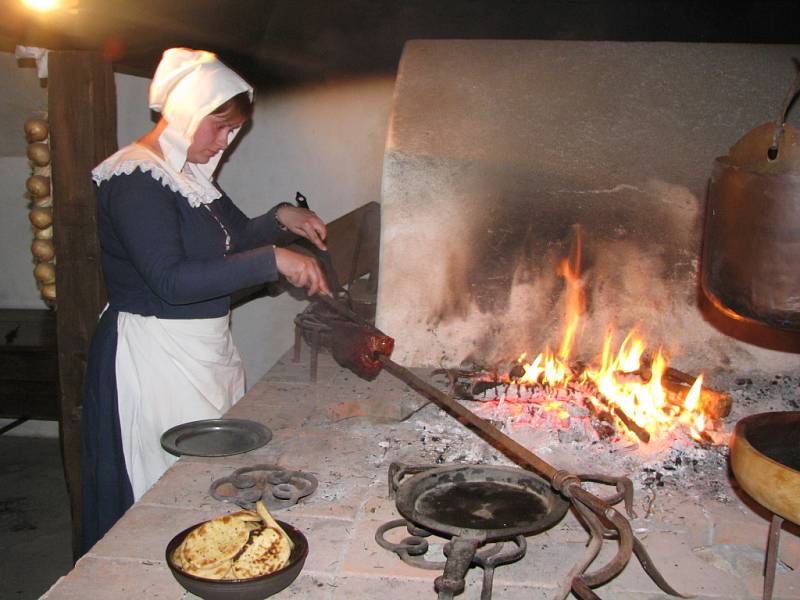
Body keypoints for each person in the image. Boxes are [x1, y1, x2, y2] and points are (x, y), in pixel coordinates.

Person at [80, 48, 330, 554]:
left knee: (209, 477)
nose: (225, 141)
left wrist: (283, 217)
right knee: (169, 489)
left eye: (232, 130)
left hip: (200, 348)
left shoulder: (188, 176)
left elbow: (234, 238)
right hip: (155, 357)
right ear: (186, 112)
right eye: (218, 126)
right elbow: (170, 280)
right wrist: (275, 260)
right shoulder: (135, 180)